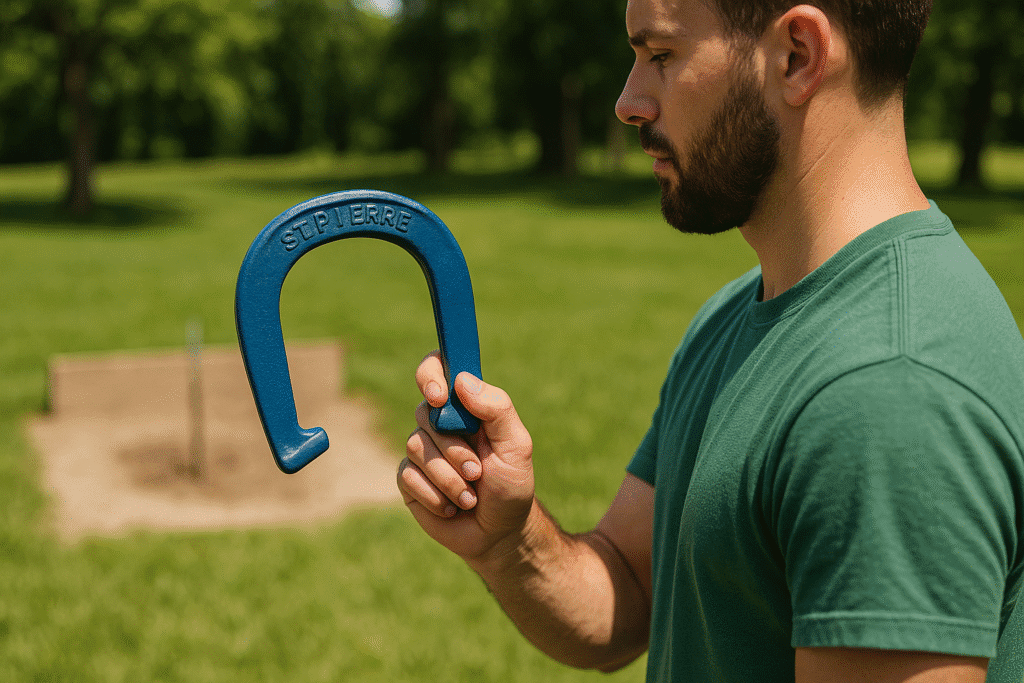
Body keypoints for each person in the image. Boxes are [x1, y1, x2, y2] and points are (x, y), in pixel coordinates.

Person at [397, 0, 1024, 680]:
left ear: (798, 56)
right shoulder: (741, 314)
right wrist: (509, 540)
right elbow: (629, 596)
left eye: (661, 56)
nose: (628, 102)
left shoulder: (888, 389)